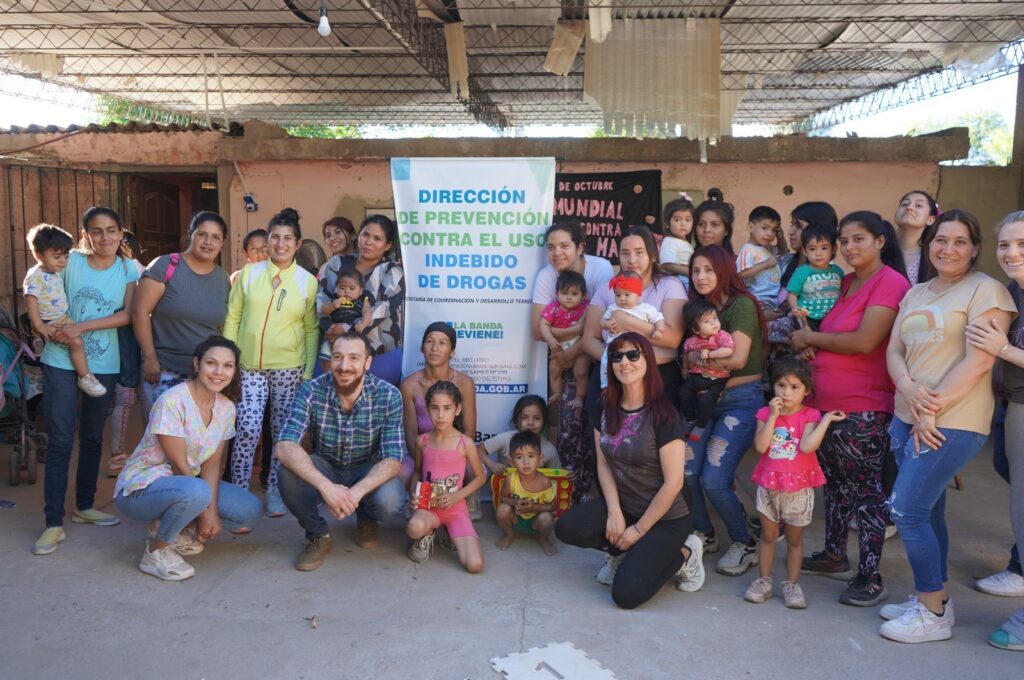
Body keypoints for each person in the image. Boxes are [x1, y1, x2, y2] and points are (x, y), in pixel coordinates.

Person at [880, 209, 1015, 644]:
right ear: (929, 243)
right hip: (907, 416)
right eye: (941, 240)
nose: (948, 249)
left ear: (975, 248)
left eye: (960, 241)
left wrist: (930, 410)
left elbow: (979, 361)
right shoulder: (916, 292)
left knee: (908, 510)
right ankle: (932, 599)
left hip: (951, 421)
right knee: (929, 508)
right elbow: (895, 349)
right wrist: (906, 387)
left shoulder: (987, 291)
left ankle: (932, 611)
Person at [790, 211, 910, 608]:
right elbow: (825, 331)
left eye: (859, 239)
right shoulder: (842, 282)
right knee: (837, 487)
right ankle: (834, 555)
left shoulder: (889, 282)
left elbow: (863, 341)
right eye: (844, 240)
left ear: (880, 241)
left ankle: (871, 575)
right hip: (827, 407)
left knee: (867, 494)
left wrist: (812, 337)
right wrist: (810, 342)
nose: (848, 247)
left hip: (864, 407)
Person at [555, 333, 705, 609]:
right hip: (626, 505)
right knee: (567, 527)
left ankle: (685, 552)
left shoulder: (664, 414)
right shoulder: (604, 406)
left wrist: (637, 530)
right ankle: (622, 551)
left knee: (625, 595)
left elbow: (673, 484)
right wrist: (614, 512)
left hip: (667, 517)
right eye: (617, 356)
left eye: (633, 355)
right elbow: (602, 463)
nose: (624, 362)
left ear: (647, 360)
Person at [33, 206, 140, 555]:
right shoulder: (71, 262)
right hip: (59, 360)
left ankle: (84, 506)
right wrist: (43, 326)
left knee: (93, 437)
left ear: (121, 233)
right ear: (85, 235)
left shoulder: (127, 269)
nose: (105, 237)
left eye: (112, 230)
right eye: (96, 231)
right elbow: (37, 282)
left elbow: (127, 315)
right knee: (62, 438)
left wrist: (81, 327)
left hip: (104, 364)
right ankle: (52, 523)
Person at [114, 336, 262, 581]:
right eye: (211, 363)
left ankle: (177, 528)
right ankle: (156, 551)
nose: (219, 372)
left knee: (249, 510)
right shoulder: (172, 400)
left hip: (187, 486)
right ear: (197, 364)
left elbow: (212, 465)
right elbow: (179, 466)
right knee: (197, 491)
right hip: (141, 489)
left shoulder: (226, 408)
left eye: (227, 366)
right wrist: (205, 513)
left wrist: (212, 512)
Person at [276, 331, 407, 572]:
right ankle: (317, 534)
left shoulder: (389, 395)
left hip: (367, 468)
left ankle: (366, 517)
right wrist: (327, 488)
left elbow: (393, 459)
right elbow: (285, 445)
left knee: (390, 501)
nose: (344, 366)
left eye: (354, 358)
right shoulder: (311, 390)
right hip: (326, 466)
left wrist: (354, 494)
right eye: (338, 357)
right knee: (286, 471)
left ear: (367, 362)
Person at [223, 208, 318, 517]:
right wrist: (229, 359)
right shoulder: (249, 273)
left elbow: (311, 327)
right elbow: (234, 315)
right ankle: (238, 491)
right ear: (267, 240)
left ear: (298, 243)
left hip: (289, 367)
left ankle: (275, 491)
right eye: (274, 237)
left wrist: (307, 371)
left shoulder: (307, 281)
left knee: (282, 433)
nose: (280, 243)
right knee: (248, 428)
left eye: (287, 238)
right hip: (248, 366)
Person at [684, 245, 766, 574]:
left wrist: (698, 359)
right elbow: (683, 362)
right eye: (695, 270)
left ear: (723, 271)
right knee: (686, 473)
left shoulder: (741, 305)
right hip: (704, 401)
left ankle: (744, 543)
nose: (701, 276)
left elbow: (738, 359)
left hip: (739, 399)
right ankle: (704, 533)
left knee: (715, 479)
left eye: (708, 270)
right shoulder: (697, 310)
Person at [965, 211, 1024, 651]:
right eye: (1005, 245)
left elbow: (1000, 348)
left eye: (1022, 245)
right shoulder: (1014, 292)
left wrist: (1002, 349)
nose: (1012, 253)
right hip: (1015, 403)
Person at [744, 358, 840, 609]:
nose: (787, 393)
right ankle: (763, 581)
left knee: (795, 540)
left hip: (798, 488)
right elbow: (761, 446)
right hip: (769, 485)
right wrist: (774, 416)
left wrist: (826, 420)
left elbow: (808, 446)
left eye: (795, 387)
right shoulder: (765, 413)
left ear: (806, 390)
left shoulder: (810, 415)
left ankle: (791, 584)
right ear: (773, 387)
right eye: (781, 385)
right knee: (768, 535)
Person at [531, 221, 613, 496]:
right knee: (567, 426)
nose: (557, 253)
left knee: (596, 428)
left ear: (580, 247)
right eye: (551, 247)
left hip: (597, 360)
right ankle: (567, 491)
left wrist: (570, 351)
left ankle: (592, 493)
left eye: (565, 246)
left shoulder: (600, 269)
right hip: (563, 358)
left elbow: (604, 323)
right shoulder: (546, 276)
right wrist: (578, 330)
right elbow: (537, 329)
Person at [134, 211, 232, 415]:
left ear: (222, 243)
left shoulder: (223, 278)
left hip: (204, 376)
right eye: (202, 234)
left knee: (196, 440)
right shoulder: (166, 266)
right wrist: (150, 357)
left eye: (216, 237)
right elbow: (139, 312)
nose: (208, 242)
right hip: (164, 371)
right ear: (191, 235)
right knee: (160, 441)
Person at [405, 381, 485, 572]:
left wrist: (458, 496)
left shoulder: (465, 444)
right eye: (435, 408)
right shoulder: (422, 441)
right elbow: (417, 471)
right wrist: (414, 494)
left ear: (457, 409)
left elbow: (480, 477)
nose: (440, 415)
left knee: (475, 565)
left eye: (447, 408)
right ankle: (429, 532)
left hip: (455, 508)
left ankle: (448, 531)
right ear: (428, 409)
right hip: (429, 506)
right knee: (413, 528)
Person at [318, 214, 405, 385]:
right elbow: (321, 299)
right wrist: (330, 329)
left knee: (374, 409)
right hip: (335, 350)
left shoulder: (392, 271)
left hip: (379, 354)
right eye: (365, 235)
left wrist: (347, 329)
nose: (369, 241)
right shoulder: (337, 263)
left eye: (377, 238)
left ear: (388, 245)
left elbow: (381, 310)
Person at [23, 223, 106, 397]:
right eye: (57, 256)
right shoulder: (35, 276)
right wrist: (40, 326)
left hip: (61, 317)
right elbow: (30, 301)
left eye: (65, 256)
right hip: (50, 321)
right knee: (76, 342)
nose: (63, 261)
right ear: (39, 255)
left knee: (79, 341)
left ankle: (84, 374)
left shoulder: (52, 272)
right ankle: (85, 378)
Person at [399, 322, 478, 497]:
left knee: (474, 469)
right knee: (402, 473)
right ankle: (417, 499)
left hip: (456, 451)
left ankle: (467, 499)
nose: (434, 348)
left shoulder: (464, 383)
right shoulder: (409, 385)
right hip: (422, 451)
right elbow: (411, 434)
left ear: (452, 352)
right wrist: (428, 460)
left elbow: (469, 431)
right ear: (422, 347)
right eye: (429, 341)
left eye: (442, 343)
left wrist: (449, 459)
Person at [107, 230, 147, 477]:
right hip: (130, 338)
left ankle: (118, 456)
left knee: (127, 398)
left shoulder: (126, 268)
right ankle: (127, 456)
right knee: (139, 398)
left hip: (122, 338)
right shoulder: (136, 269)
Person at [598, 271, 666, 389]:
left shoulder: (646, 309)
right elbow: (602, 322)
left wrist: (659, 330)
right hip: (614, 345)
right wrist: (607, 324)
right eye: (618, 295)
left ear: (638, 295)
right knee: (606, 362)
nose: (622, 299)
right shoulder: (613, 308)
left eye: (627, 295)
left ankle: (646, 387)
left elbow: (658, 318)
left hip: (637, 346)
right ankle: (606, 385)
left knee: (645, 365)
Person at [678, 299, 734, 442]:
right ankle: (690, 419)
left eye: (715, 318)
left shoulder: (722, 335)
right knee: (683, 393)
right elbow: (685, 355)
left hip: (717, 378)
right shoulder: (691, 341)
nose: (714, 323)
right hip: (697, 376)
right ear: (696, 330)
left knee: (705, 400)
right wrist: (684, 369)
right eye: (707, 322)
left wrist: (710, 354)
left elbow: (728, 350)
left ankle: (701, 425)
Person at [494, 431, 557, 555]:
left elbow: (552, 506)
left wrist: (533, 507)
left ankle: (543, 539)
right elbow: (503, 497)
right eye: (519, 457)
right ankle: (509, 534)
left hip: (536, 521)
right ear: (511, 461)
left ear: (540, 459)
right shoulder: (510, 479)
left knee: (548, 518)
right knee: (502, 509)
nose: (526, 462)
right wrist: (515, 502)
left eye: (531, 456)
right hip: (516, 519)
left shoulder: (545, 482)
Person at [539, 270, 590, 404]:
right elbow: (543, 324)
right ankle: (556, 392)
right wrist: (549, 338)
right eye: (564, 293)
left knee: (581, 371)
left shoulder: (587, 307)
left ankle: (579, 397)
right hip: (559, 345)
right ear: (557, 294)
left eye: (574, 294)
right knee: (554, 369)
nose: (568, 298)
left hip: (580, 346)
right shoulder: (553, 308)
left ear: (583, 296)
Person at [478, 394, 561, 475]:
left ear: (544, 421)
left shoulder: (549, 449)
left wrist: (568, 477)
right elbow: (479, 449)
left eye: (537, 418)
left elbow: (558, 474)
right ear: (517, 419)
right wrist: (492, 465)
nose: (530, 423)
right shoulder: (506, 439)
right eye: (524, 418)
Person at [786, 223, 844, 332]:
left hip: (831, 317)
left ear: (834, 248)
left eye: (824, 248)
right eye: (812, 249)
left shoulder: (838, 271)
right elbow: (792, 294)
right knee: (808, 342)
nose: (818, 253)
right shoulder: (802, 272)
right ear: (804, 250)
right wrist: (794, 308)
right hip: (806, 318)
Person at [318, 266, 373, 357]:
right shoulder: (335, 299)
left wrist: (363, 324)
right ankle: (327, 360)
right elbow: (324, 310)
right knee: (326, 346)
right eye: (342, 288)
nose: (347, 291)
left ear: (360, 291)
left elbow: (367, 312)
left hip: (352, 329)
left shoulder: (362, 300)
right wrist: (332, 306)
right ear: (337, 288)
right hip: (335, 332)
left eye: (352, 288)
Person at [736, 206, 783, 309]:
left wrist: (780, 237)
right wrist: (765, 264)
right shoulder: (747, 249)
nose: (770, 234)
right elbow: (741, 273)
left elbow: (783, 250)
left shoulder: (767, 248)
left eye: (774, 230)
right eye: (765, 228)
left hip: (774, 297)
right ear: (750, 227)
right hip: (758, 297)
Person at [894, 190, 939, 284]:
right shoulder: (879, 250)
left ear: (930, 219)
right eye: (904, 204)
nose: (909, 207)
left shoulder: (934, 257)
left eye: (918, 205)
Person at [659, 195, 697, 285]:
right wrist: (690, 271)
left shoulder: (686, 243)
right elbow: (667, 264)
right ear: (667, 223)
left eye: (688, 220)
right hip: (679, 282)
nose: (683, 223)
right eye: (677, 220)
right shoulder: (669, 241)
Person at [693, 188, 736, 255]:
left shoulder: (735, 263)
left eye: (715, 224)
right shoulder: (685, 259)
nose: (706, 230)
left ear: (726, 230)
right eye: (701, 224)